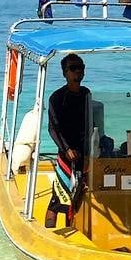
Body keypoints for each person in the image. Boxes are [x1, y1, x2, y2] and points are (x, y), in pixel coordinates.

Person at [45, 53, 91, 228]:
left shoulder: (86, 93)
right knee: (59, 198)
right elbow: (53, 128)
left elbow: (92, 121)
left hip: (85, 152)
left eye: (80, 67)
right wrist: (66, 149)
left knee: (78, 197)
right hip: (67, 154)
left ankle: (71, 230)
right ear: (65, 73)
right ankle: (50, 231)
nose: (78, 71)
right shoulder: (57, 97)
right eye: (73, 68)